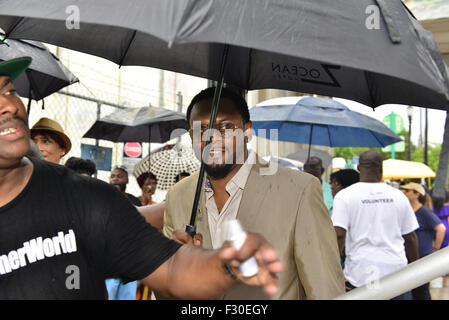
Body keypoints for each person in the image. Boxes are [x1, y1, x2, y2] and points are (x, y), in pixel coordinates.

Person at [0, 57, 282, 299]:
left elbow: (171, 268)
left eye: (10, 90)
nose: (9, 106)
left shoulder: (83, 197)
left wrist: (226, 263)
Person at [162, 87, 345, 300]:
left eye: (226, 127)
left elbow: (326, 291)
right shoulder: (178, 196)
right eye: (201, 130)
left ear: (247, 132)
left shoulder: (298, 191)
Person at [331, 150, 419, 300]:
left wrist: (334, 272)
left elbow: (338, 235)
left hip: (360, 276)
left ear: (358, 168)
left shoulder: (345, 196)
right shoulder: (398, 196)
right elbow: (410, 237)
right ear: (381, 169)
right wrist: (416, 269)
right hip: (396, 275)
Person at [400, 182, 446, 300]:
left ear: (416, 194)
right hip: (409, 259)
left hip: (422, 259)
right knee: (413, 291)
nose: (404, 193)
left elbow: (441, 229)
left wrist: (435, 249)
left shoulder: (424, 212)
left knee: (421, 292)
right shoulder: (407, 211)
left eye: (407, 191)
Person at [329, 169, 360, 268]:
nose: (332, 187)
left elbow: (339, 235)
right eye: (332, 183)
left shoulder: (342, 201)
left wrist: (333, 264)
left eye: (336, 183)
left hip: (346, 259)